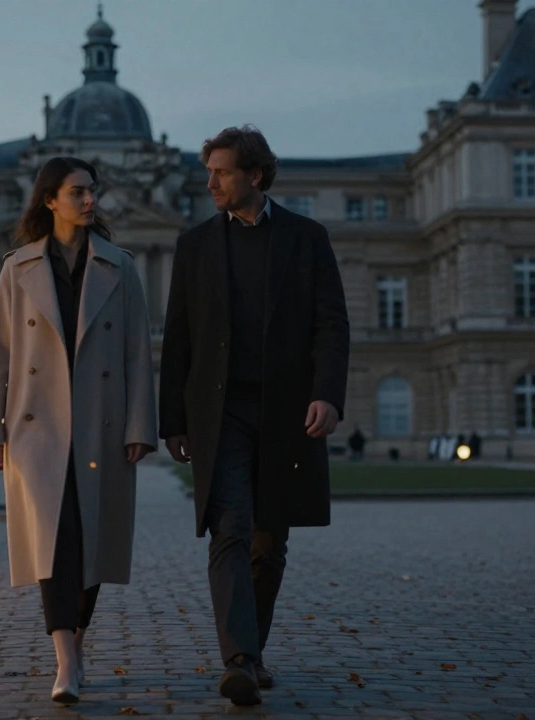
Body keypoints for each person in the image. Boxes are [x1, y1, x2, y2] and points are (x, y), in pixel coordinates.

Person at [159, 126, 350, 706]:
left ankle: (253, 652)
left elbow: (331, 324)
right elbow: (179, 338)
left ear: (255, 176)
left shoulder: (306, 237)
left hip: (287, 410)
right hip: (220, 412)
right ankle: (238, 658)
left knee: (270, 541)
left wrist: (327, 394)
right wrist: (173, 419)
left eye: (220, 172)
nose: (210, 182)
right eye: (209, 171)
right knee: (231, 529)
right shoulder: (194, 245)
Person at [0, 156, 157, 705]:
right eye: (77, 192)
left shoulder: (120, 266)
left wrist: (140, 424)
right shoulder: (17, 268)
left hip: (100, 423)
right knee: (55, 543)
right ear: (49, 199)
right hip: (38, 427)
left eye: (91, 191)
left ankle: (76, 641)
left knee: (92, 541)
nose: (88, 200)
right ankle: (65, 657)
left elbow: (137, 354)